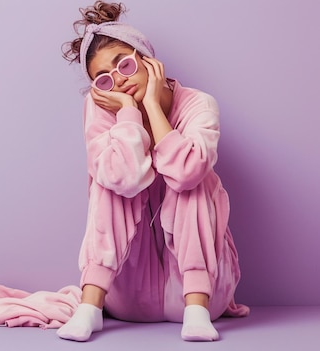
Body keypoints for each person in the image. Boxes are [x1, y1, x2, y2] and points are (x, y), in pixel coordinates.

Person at [56, 1, 249, 342]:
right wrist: (129, 112)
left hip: (202, 290)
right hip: (126, 296)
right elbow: (123, 179)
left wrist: (151, 106)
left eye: (125, 65)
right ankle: (89, 309)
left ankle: (197, 312)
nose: (118, 81)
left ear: (148, 58)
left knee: (192, 177)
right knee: (112, 177)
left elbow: (187, 172)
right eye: (104, 79)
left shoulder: (199, 104)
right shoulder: (101, 106)